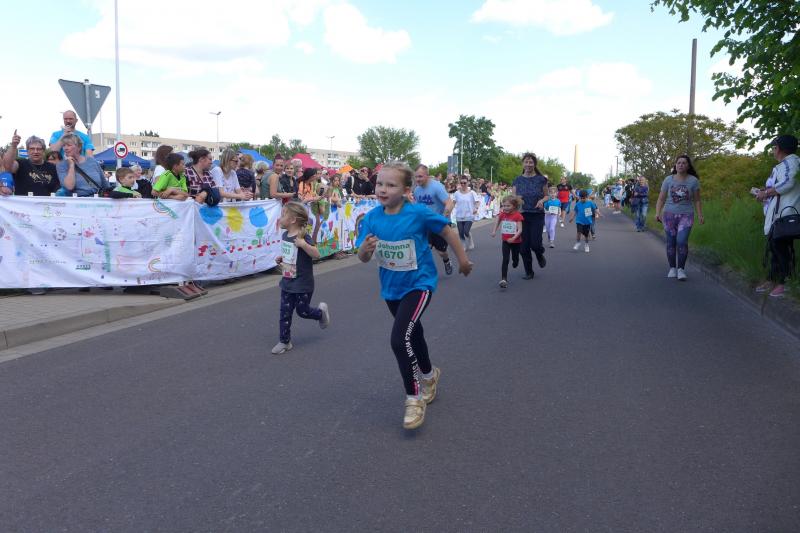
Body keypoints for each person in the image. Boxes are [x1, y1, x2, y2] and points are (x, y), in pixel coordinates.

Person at [356, 161, 472, 429]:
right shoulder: (372, 218)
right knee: (413, 333)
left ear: (406, 190)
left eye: (391, 185)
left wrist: (463, 260)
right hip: (391, 288)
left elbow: (447, 230)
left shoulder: (418, 213)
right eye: (380, 184)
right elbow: (362, 257)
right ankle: (430, 375)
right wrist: (364, 250)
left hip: (419, 284)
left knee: (399, 340)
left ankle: (414, 398)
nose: (383, 189)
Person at [271, 202, 331, 354]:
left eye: (283, 215)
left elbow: (316, 254)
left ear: (292, 220)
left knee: (302, 311)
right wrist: (282, 258)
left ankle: (320, 313)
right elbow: (291, 254)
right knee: (284, 313)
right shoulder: (285, 235)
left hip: (302, 283)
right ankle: (284, 342)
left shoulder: (303, 237)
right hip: (287, 282)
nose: (280, 218)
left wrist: (303, 245)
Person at [755, 135, 800, 298]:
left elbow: (789, 182)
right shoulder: (784, 165)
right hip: (778, 214)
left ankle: (785, 282)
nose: (773, 150)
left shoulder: (791, 162)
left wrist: (766, 193)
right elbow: (780, 185)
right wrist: (764, 193)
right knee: (775, 247)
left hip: (786, 213)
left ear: (780, 148)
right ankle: (773, 279)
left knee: (781, 247)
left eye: (774, 147)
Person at [654, 155, 704, 281]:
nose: (681, 165)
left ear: (688, 166)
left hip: (686, 215)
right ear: (675, 165)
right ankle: (672, 268)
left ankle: (681, 269)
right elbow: (661, 198)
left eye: (684, 163)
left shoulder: (693, 181)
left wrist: (700, 215)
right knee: (671, 242)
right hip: (669, 215)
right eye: (679, 163)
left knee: (681, 241)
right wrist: (657, 213)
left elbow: (697, 200)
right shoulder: (668, 180)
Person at [512, 153, 549, 279]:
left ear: (535, 164)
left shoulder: (541, 179)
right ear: (523, 164)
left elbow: (547, 195)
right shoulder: (517, 180)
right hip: (521, 216)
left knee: (535, 244)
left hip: (537, 215)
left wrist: (542, 201)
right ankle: (529, 272)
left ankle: (539, 254)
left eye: (531, 162)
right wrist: (517, 199)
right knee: (523, 247)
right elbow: (513, 198)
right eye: (526, 162)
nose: (528, 164)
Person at [413, 164, 456, 275]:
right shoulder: (416, 190)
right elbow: (418, 207)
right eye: (416, 176)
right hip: (426, 224)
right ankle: (424, 272)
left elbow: (449, 203)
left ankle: (447, 261)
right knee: (424, 248)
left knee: (441, 252)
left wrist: (443, 217)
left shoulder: (437, 187)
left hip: (440, 223)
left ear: (427, 176)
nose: (418, 179)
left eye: (420, 176)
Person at [1, 131, 60, 196]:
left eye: (39, 149)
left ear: (43, 151)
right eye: (32, 149)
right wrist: (14, 145)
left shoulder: (53, 167)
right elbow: (7, 166)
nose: (35, 151)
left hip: (47, 202)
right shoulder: (20, 164)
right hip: (24, 202)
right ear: (27, 151)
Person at [490, 195, 523, 289]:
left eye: (508, 206)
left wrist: (514, 238)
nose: (505, 208)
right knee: (505, 259)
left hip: (516, 242)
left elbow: (520, 230)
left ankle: (516, 261)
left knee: (515, 258)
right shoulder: (502, 214)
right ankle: (504, 279)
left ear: (514, 206)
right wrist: (494, 231)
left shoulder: (517, 215)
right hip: (505, 241)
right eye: (504, 206)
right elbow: (497, 221)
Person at [453, 176, 480, 250]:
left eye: (464, 183)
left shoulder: (472, 193)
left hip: (469, 215)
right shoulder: (456, 193)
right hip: (459, 215)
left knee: (466, 231)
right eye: (461, 183)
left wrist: (476, 208)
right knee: (460, 232)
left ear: (468, 183)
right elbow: (453, 203)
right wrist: (448, 210)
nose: (463, 184)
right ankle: (463, 244)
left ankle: (470, 238)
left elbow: (477, 202)